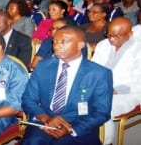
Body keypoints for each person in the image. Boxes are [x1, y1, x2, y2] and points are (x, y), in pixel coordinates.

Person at [21, 25, 113, 145]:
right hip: (45, 123)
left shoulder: (99, 73)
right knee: (33, 142)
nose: (56, 46)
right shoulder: (43, 66)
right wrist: (46, 118)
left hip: (79, 127)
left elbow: (102, 112)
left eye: (63, 42)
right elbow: (28, 98)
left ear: (80, 45)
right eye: (55, 41)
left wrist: (72, 129)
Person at [91, 17, 141, 145]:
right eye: (109, 35)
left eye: (116, 36)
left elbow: (138, 82)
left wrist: (116, 90)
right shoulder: (103, 45)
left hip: (128, 93)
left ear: (130, 34)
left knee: (103, 107)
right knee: (78, 101)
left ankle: (105, 142)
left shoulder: (138, 50)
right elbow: (92, 70)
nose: (111, 39)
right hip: (100, 88)